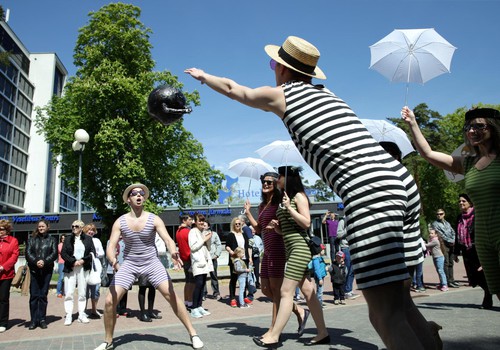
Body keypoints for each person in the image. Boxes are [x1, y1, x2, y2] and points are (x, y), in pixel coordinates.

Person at [185, 35, 438, 349]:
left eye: (272, 63)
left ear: (281, 67)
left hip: (368, 189)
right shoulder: (328, 94)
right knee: (401, 301)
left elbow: (237, 90)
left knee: (385, 314)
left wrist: (203, 76)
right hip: (399, 180)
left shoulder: (283, 95)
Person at [403, 106, 500, 304]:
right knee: (498, 290)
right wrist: (413, 123)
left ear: (494, 127)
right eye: (469, 127)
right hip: (482, 237)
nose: (472, 131)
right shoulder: (468, 163)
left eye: (479, 126)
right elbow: (428, 153)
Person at [94, 183, 204, 350]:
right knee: (109, 301)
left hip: (151, 263)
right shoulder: (120, 221)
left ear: (143, 198)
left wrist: (173, 252)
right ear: (128, 199)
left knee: (171, 295)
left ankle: (193, 333)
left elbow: (167, 239)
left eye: (141, 193)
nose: (139, 195)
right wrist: (113, 261)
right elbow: (111, 246)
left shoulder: (154, 218)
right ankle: (108, 340)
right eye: (134, 193)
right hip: (129, 263)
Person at [255, 165, 328, 347]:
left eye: (279, 176)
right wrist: (278, 228)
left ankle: (274, 335)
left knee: (285, 292)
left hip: (299, 250)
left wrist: (289, 208)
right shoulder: (286, 198)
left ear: (288, 178)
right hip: (291, 248)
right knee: (309, 293)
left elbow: (306, 222)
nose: (277, 180)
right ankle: (323, 333)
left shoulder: (299, 197)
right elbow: (289, 229)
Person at [244, 172, 307, 338]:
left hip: (279, 247)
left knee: (277, 290)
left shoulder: (280, 201)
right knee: (265, 289)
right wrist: (248, 212)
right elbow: (259, 229)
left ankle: (273, 330)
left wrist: (279, 222)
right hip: (268, 250)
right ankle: (299, 310)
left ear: (275, 183)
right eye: (263, 182)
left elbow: (288, 219)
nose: (265, 184)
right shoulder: (263, 205)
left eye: (269, 182)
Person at [455, 193, 493, 309]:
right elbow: (457, 235)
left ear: (470, 203)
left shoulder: (477, 215)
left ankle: (488, 297)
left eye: (463, 201)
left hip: (478, 249)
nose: (461, 203)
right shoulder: (459, 218)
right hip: (467, 252)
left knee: (483, 275)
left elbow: (485, 232)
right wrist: (456, 252)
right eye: (459, 201)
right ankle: (488, 293)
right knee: (473, 277)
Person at [61, 220, 95, 325]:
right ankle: (69, 315)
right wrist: (73, 261)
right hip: (70, 267)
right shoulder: (67, 239)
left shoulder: (88, 239)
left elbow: (92, 253)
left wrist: (83, 260)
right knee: (69, 292)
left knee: (82, 292)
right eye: (72, 226)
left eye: (76, 226)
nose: (74, 228)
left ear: (81, 227)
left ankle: (81, 314)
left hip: (83, 267)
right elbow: (63, 253)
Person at [25, 219, 57, 330]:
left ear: (48, 227)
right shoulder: (32, 239)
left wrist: (44, 261)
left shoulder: (52, 239)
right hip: (34, 270)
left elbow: (54, 254)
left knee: (43, 295)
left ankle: (42, 319)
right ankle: (34, 320)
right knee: (34, 295)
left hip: (47, 270)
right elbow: (28, 253)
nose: (41, 228)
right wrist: (36, 261)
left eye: (43, 226)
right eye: (39, 226)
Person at [188, 213, 214, 318]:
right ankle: (194, 307)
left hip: (205, 261)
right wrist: (203, 239)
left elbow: (208, 247)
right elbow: (193, 247)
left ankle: (199, 306)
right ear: (195, 221)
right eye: (199, 220)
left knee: (202, 284)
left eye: (203, 220)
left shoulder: (202, 232)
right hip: (198, 262)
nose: (202, 222)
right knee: (198, 284)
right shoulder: (193, 232)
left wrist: (208, 239)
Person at [225, 217, 252, 307]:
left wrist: (250, 257)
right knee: (234, 279)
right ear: (233, 225)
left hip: (244, 259)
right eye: (236, 224)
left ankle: (242, 297)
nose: (237, 225)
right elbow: (227, 246)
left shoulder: (244, 234)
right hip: (235, 260)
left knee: (244, 279)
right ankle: (232, 298)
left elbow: (248, 246)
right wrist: (231, 252)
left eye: (239, 224)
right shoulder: (231, 235)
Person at [431, 209, 459, 288]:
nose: (439, 215)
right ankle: (447, 281)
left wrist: (454, 240)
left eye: (441, 214)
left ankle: (452, 279)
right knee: (446, 263)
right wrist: (450, 240)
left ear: (444, 214)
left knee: (451, 262)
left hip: (451, 244)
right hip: (443, 245)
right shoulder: (435, 224)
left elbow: (452, 231)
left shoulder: (447, 223)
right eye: (437, 214)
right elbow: (441, 235)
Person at [0, 219, 19, 333]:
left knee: (3, 298)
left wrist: (3, 266)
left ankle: (3, 322)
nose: (0, 231)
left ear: (6, 230)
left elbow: (14, 256)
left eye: (1, 229)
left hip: (6, 274)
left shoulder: (13, 241)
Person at [84, 223, 104, 319]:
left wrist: (94, 252)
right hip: (85, 267)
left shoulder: (96, 241)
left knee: (95, 290)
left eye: (92, 230)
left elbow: (101, 253)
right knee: (84, 291)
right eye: (89, 230)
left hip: (95, 267)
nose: (91, 231)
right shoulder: (82, 240)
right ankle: (83, 310)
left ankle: (93, 309)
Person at [336, 216, 358, 300]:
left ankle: (349, 290)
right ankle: (345, 291)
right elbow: (338, 234)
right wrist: (348, 230)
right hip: (346, 248)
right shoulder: (342, 221)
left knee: (352, 270)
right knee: (347, 270)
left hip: (353, 247)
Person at [176, 214, 195, 310]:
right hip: (190, 258)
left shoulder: (178, 231)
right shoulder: (188, 232)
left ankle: (187, 301)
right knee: (192, 282)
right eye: (190, 219)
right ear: (184, 220)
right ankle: (191, 302)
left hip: (184, 259)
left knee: (187, 281)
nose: (192, 221)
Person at [203, 220, 222, 300]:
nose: (203, 226)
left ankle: (216, 293)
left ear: (209, 226)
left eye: (205, 225)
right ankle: (203, 293)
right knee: (203, 276)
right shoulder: (200, 234)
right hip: (203, 258)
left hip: (212, 258)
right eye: (202, 225)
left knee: (214, 276)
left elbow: (219, 244)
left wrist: (217, 255)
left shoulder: (214, 234)